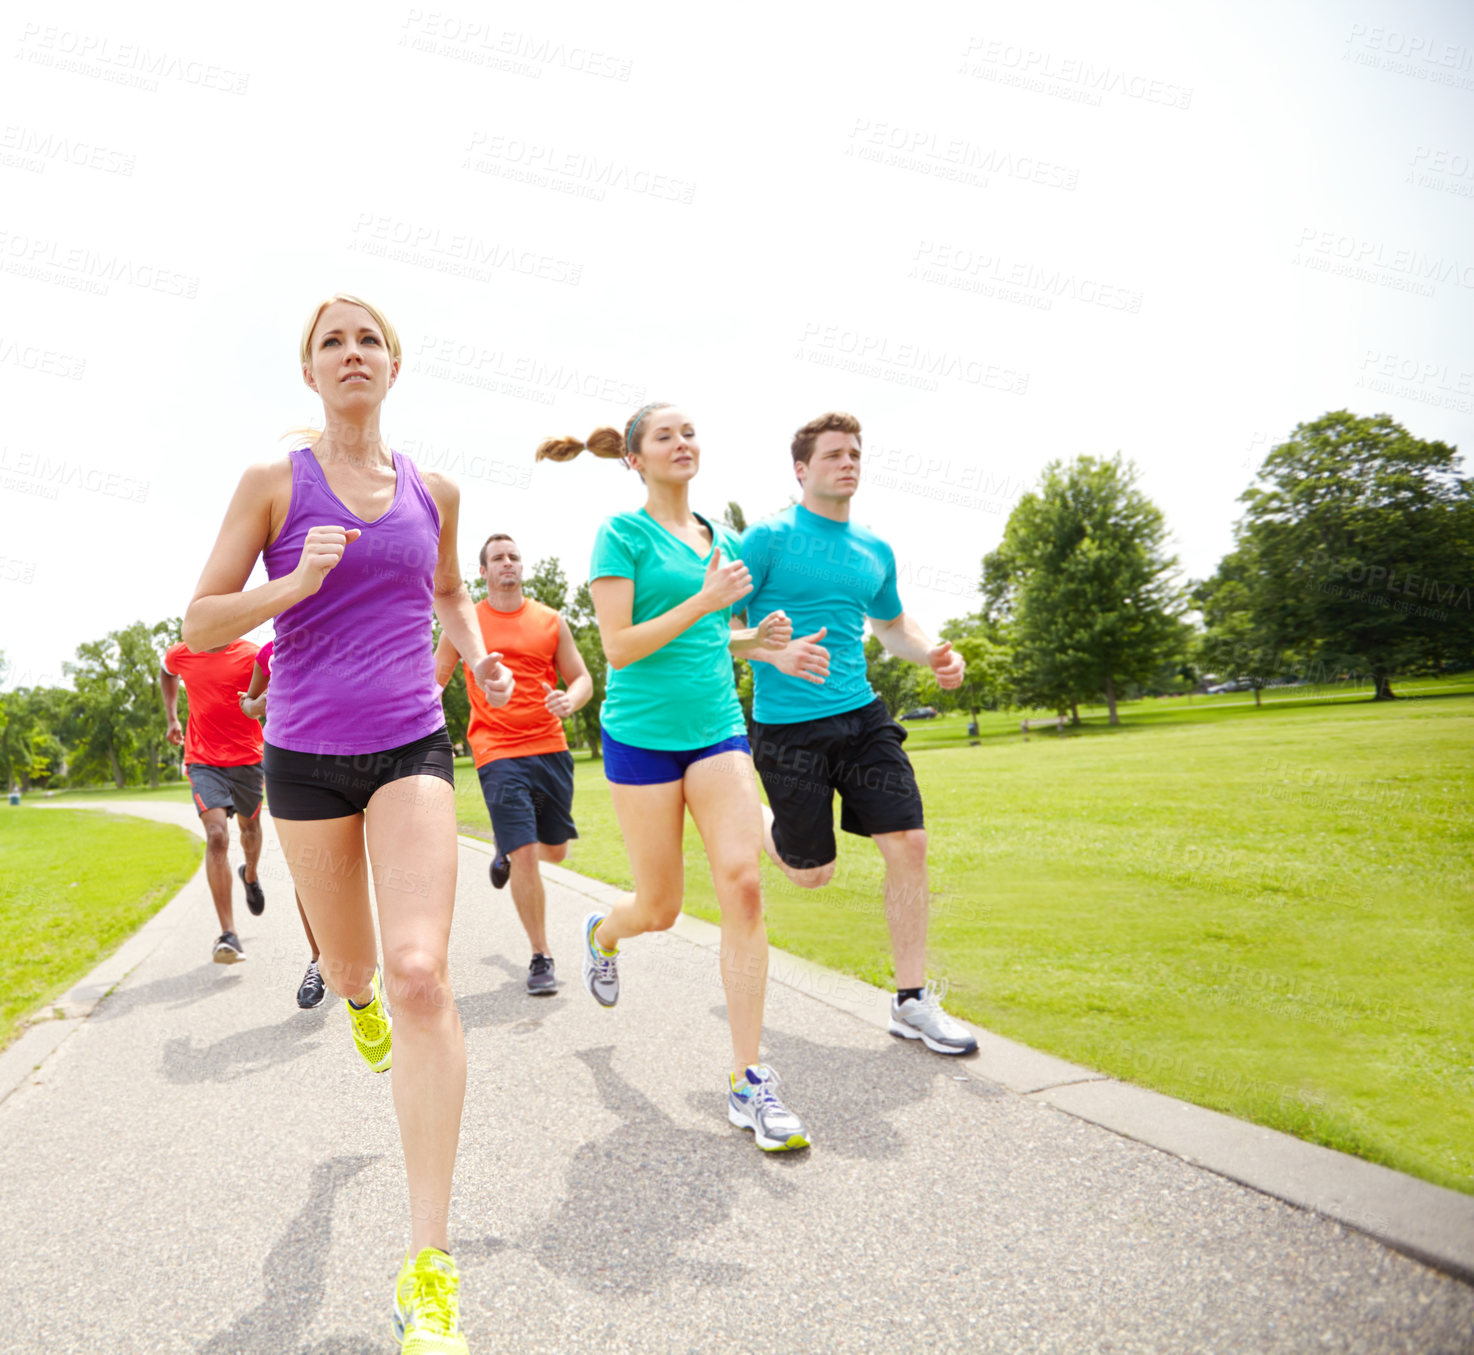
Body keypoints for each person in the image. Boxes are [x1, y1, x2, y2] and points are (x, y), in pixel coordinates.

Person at [181, 293, 513, 1354]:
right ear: (311, 372)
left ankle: (428, 1267)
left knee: (424, 973)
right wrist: (296, 578)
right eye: (333, 340)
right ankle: (356, 997)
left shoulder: (434, 488)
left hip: (412, 745)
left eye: (368, 337)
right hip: (304, 762)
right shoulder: (273, 484)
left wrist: (477, 650)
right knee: (364, 972)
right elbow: (199, 622)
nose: (352, 351)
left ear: (395, 364)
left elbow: (451, 592)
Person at [537, 403, 824, 1152]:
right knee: (660, 907)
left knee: (743, 882)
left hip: (718, 727)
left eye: (690, 431)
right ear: (634, 457)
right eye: (664, 435)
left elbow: (706, 632)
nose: (682, 442)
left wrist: (758, 644)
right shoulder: (621, 535)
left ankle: (749, 1077)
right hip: (641, 738)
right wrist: (706, 599)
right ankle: (602, 930)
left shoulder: (718, 538)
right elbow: (622, 646)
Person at [740, 411, 979, 1056]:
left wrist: (932, 654)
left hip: (862, 716)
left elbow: (893, 626)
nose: (849, 462)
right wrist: (771, 654)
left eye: (855, 453)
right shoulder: (762, 540)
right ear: (801, 469)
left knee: (908, 840)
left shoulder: (874, 549)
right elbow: (713, 630)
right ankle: (751, 817)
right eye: (834, 454)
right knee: (812, 874)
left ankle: (911, 1002)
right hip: (788, 728)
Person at [434, 534, 592, 994]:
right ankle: (541, 956)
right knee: (527, 854)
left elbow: (581, 677)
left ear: (522, 568)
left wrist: (572, 698)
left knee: (555, 851)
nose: (508, 563)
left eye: (514, 557)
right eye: (498, 558)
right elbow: (434, 681)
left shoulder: (550, 620)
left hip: (549, 745)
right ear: (482, 571)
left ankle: (505, 850)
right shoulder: (465, 624)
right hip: (496, 749)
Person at [160, 637, 265, 965]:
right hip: (203, 759)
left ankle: (250, 875)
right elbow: (166, 671)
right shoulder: (183, 652)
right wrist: (172, 718)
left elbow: (272, 693)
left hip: (248, 757)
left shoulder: (251, 654)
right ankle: (229, 934)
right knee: (217, 835)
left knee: (251, 828)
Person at [238, 640, 326, 1008]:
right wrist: (257, 706)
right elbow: (248, 703)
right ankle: (320, 961)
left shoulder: (347, 631)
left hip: (362, 757)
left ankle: (378, 959)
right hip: (293, 764)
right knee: (309, 870)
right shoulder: (269, 653)